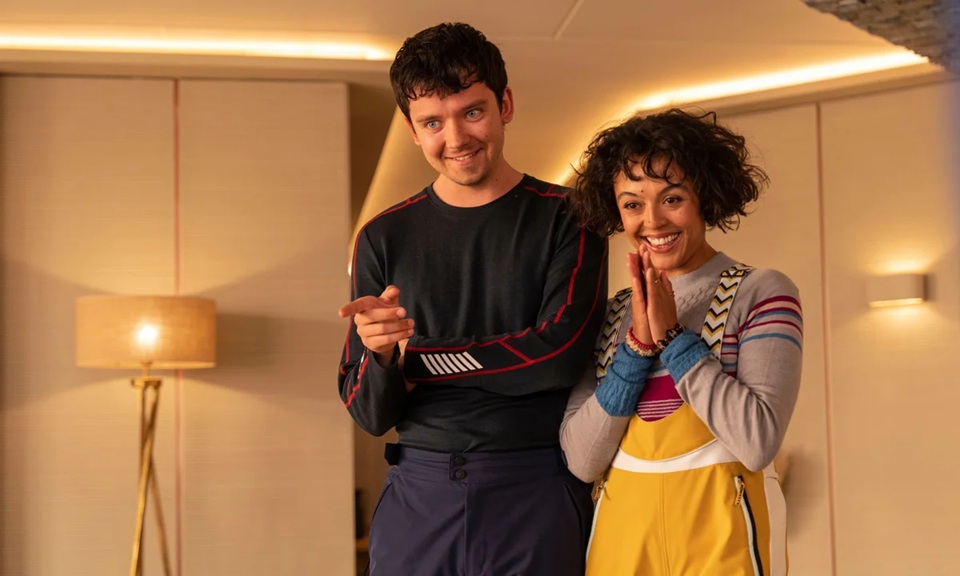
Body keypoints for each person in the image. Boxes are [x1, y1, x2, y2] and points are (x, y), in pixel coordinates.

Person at [336, 22, 607, 576]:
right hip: (418, 492)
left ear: (504, 104)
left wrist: (419, 361)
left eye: (472, 112)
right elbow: (367, 409)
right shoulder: (381, 238)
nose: (455, 138)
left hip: (535, 485)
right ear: (413, 131)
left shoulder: (572, 217)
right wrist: (384, 359)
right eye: (433, 122)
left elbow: (558, 354)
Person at [560, 109, 802, 575]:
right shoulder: (611, 315)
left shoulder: (762, 291)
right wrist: (635, 346)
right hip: (622, 543)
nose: (652, 221)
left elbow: (756, 440)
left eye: (672, 198)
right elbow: (583, 460)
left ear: (704, 197)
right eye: (632, 204)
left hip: (724, 541)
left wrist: (673, 337)